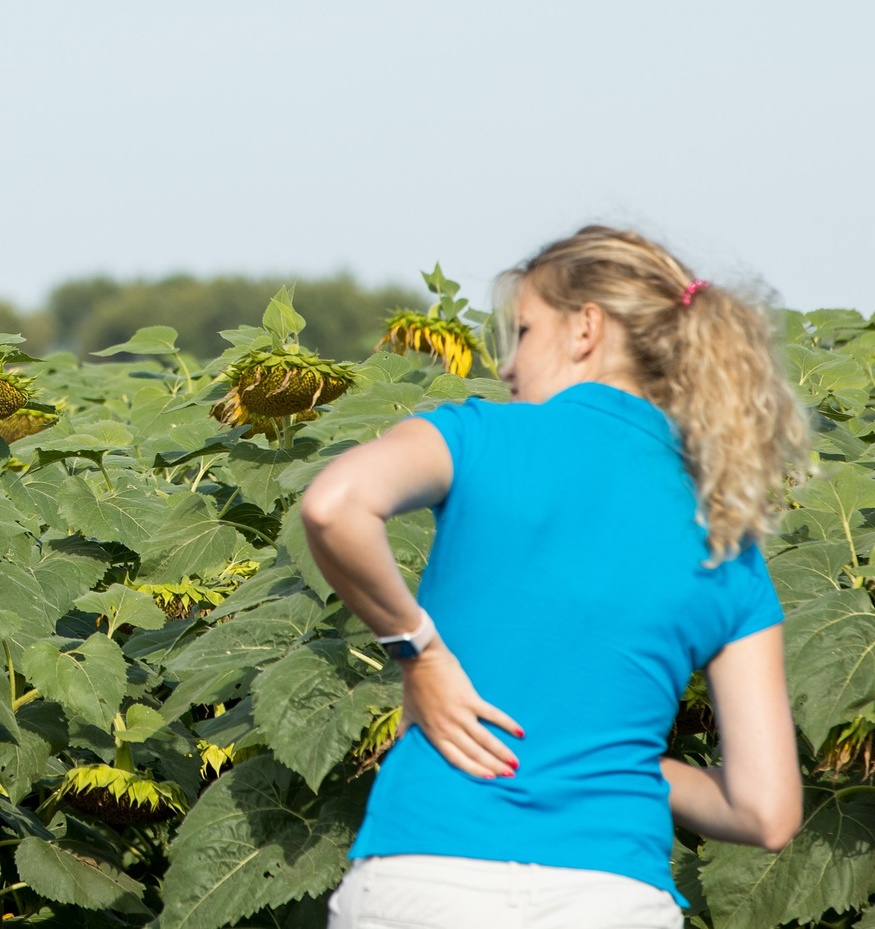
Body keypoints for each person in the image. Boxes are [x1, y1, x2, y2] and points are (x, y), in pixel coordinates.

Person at [301, 225, 808, 929]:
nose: (507, 366)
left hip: (428, 874)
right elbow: (767, 811)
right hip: (611, 896)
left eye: (523, 330)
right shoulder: (727, 535)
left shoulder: (479, 435)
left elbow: (333, 505)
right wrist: (621, 758)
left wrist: (419, 651)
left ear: (585, 329)